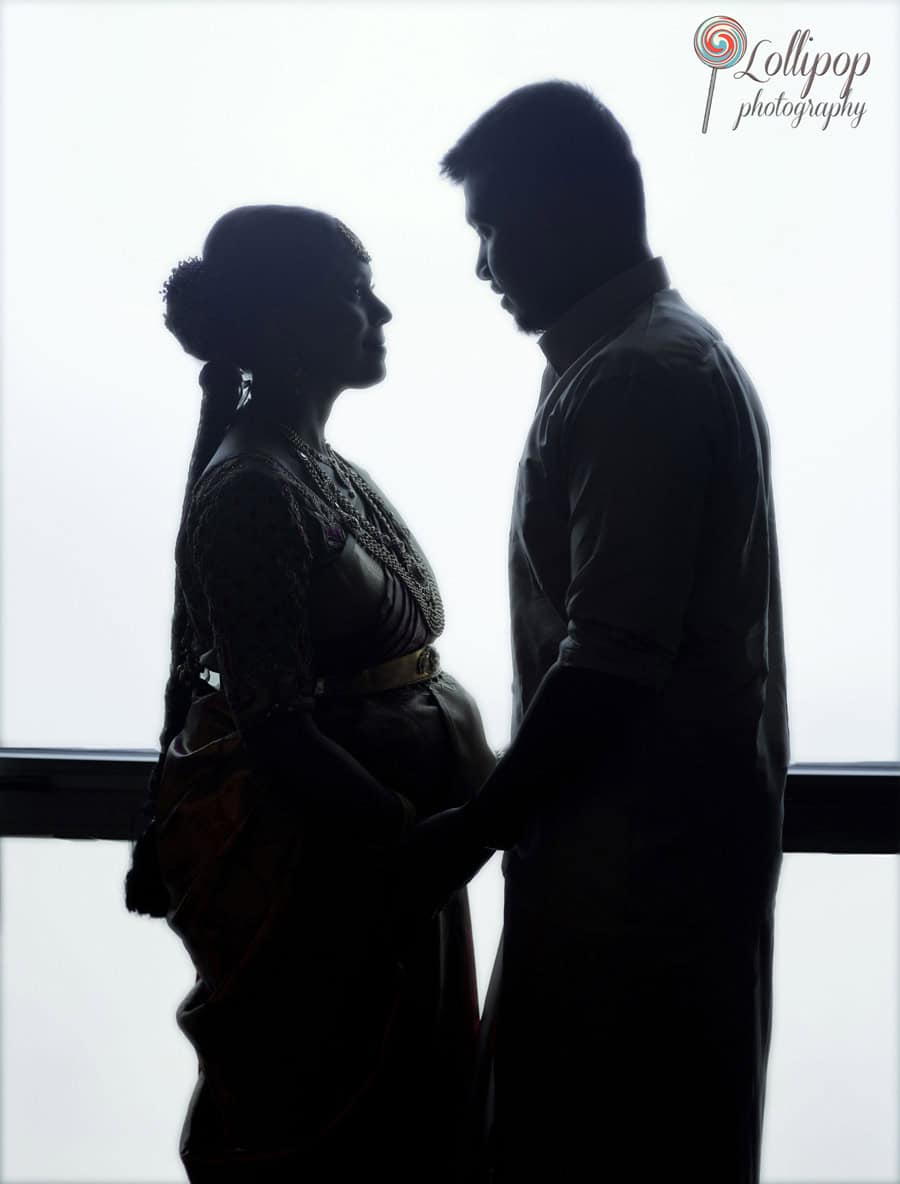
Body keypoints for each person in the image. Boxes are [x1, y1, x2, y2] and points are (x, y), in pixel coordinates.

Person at [440, 82, 790, 1182]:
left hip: (636, 897)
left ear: (583, 205)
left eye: (495, 229)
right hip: (635, 883)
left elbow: (609, 658)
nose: (484, 269)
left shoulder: (638, 378)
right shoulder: (635, 359)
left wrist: (471, 828)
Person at [123, 204, 497, 1183]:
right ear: (287, 321)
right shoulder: (253, 487)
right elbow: (277, 727)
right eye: (352, 293)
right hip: (336, 875)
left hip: (393, 868)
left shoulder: (316, 464)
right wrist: (411, 831)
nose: (379, 311)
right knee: (344, 1142)